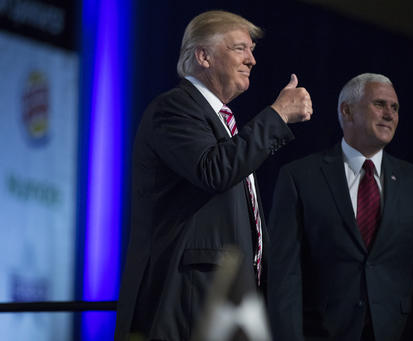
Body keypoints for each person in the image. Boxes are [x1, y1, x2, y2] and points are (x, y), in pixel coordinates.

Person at [114, 10, 312, 341]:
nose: (251, 60)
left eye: (252, 51)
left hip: (226, 308)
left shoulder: (221, 121)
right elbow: (214, 170)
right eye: (239, 48)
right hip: (186, 304)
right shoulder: (174, 109)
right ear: (203, 56)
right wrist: (277, 116)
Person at [267, 73, 413, 341]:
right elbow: (283, 273)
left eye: (395, 108)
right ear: (347, 111)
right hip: (321, 333)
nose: (390, 114)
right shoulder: (300, 177)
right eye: (379, 104)